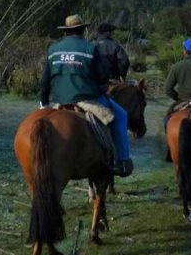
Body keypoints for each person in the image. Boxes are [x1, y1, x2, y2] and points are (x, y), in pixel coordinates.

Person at [39, 14, 133, 177]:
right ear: (82, 30)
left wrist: (43, 102)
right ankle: (123, 161)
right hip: (87, 100)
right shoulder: (90, 49)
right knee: (121, 116)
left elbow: (45, 80)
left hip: (58, 101)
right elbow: (103, 77)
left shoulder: (53, 50)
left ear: (65, 32)